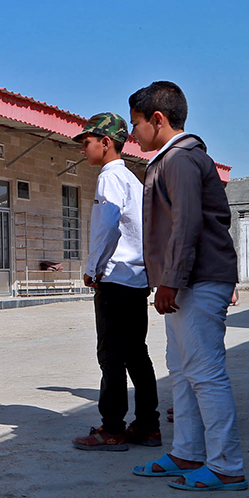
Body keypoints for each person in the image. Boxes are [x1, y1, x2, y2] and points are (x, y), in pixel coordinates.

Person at [127, 81, 246, 491]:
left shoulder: (180, 160)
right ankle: (188, 452)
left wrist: (170, 282)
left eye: (136, 124)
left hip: (195, 280)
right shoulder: (170, 159)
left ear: (157, 120)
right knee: (182, 370)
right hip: (184, 282)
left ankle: (227, 465)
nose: (133, 134)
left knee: (206, 373)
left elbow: (186, 225)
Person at [70, 113, 161, 452]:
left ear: (106, 143)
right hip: (136, 279)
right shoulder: (133, 181)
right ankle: (148, 426)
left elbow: (107, 227)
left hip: (116, 279)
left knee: (110, 355)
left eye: (87, 142)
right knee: (137, 353)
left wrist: (93, 267)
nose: (83, 148)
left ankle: (111, 429)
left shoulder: (110, 178)